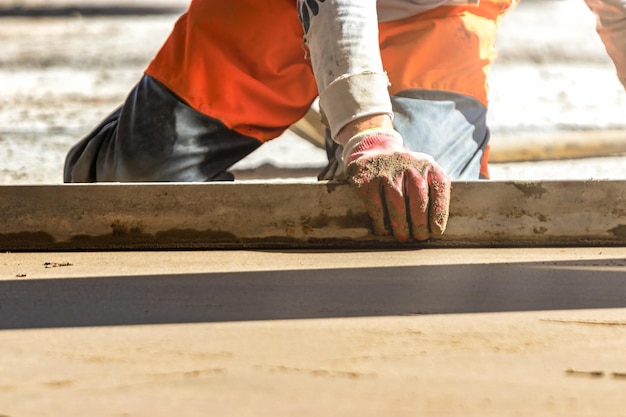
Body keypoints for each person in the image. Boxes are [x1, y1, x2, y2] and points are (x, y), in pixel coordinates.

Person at [64, 0, 625, 243]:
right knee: (129, 186)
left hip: (432, 22)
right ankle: (105, 156)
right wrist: (368, 131)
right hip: (278, 11)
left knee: (411, 212)